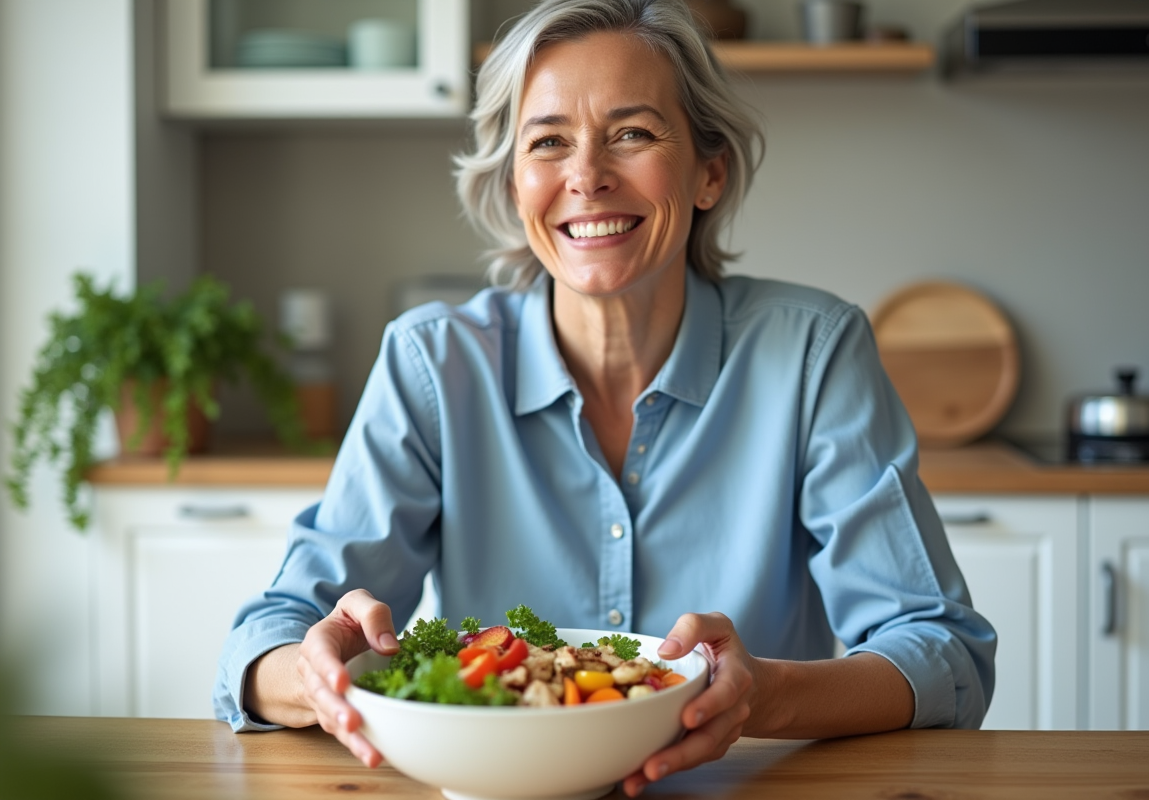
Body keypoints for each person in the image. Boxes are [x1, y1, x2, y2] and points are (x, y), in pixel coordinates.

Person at [213, 0, 996, 796]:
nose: (586, 177)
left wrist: (765, 694)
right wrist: (312, 672)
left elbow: (944, 651)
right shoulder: (433, 365)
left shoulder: (813, 354)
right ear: (514, 181)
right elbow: (264, 641)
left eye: (632, 133)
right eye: (548, 142)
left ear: (710, 172)